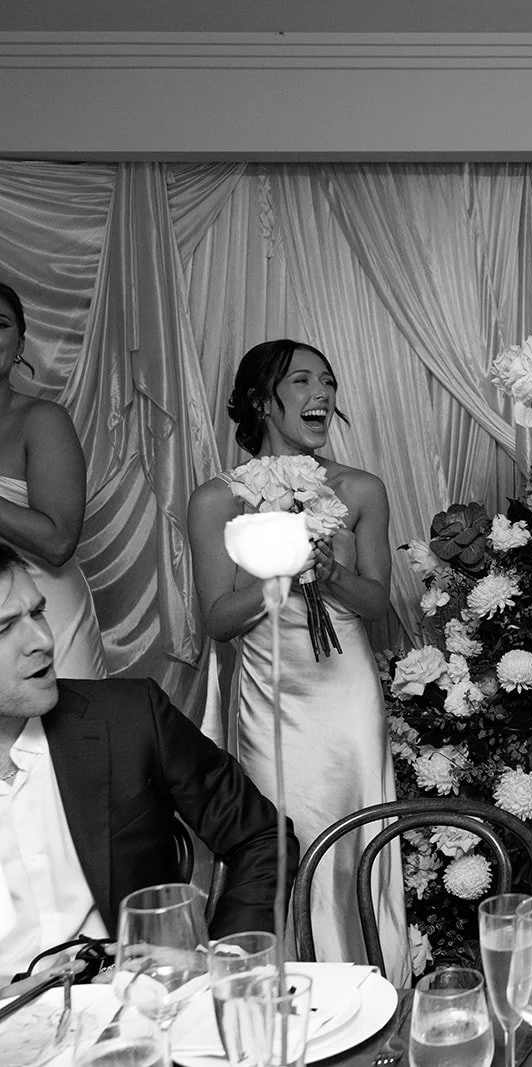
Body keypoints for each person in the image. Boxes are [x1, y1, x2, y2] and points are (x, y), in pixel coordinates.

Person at [186, 339, 405, 977]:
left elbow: (377, 604)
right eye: (303, 381)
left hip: (347, 697)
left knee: (359, 829)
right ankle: (280, 991)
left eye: (329, 382)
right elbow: (218, 621)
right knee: (280, 839)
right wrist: (278, 572)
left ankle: (371, 985)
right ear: (261, 401)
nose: (323, 394)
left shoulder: (362, 488)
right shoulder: (216, 500)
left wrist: (329, 571)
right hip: (270, 696)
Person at [0, 544, 292, 979]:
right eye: (4, 627)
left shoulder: (130, 719)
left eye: (38, 613)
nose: (43, 641)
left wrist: (222, 963)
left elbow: (262, 836)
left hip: (142, 1013)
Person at [0, 283, 107, 680]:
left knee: (62, 741)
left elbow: (59, 541)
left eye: (0, 324)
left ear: (20, 344)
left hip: (44, 615)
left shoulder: (42, 420)